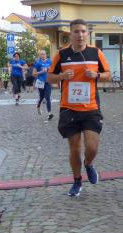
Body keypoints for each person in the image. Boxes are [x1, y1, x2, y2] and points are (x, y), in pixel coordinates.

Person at [47, 19, 111, 197]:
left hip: (91, 107)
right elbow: (49, 78)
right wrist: (61, 76)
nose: (80, 35)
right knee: (74, 147)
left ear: (87, 34)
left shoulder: (96, 53)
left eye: (83, 31)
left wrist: (97, 75)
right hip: (69, 108)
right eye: (76, 31)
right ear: (71, 34)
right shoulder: (61, 54)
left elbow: (108, 75)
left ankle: (88, 164)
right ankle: (77, 181)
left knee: (92, 147)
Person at [34, 50, 54, 121]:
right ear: (40, 55)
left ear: (46, 55)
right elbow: (34, 73)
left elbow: (53, 70)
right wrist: (42, 71)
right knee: (41, 97)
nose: (43, 55)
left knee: (47, 97)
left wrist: (50, 70)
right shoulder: (38, 63)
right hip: (41, 82)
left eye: (44, 54)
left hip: (48, 82)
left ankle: (49, 113)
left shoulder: (49, 61)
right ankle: (38, 106)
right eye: (41, 54)